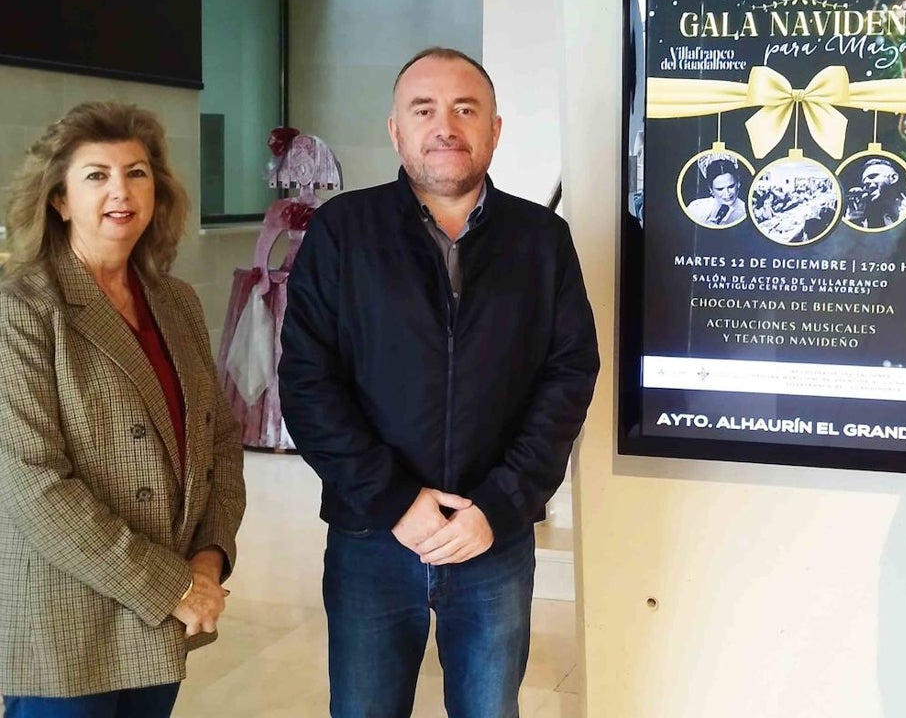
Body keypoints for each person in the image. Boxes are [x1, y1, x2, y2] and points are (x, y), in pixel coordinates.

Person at [278, 47, 600, 718]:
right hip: (373, 536)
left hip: (493, 539)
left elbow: (568, 374)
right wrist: (394, 499)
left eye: (465, 108)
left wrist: (499, 503)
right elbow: (309, 382)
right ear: (396, 130)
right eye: (424, 110)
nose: (445, 125)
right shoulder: (344, 232)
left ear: (495, 129)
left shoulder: (542, 238)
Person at [0, 102, 246, 716]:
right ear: (58, 199)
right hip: (66, 616)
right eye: (96, 175)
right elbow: (34, 489)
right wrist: (173, 586)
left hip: (164, 612)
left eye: (137, 173)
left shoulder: (176, 301)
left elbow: (219, 441)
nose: (121, 191)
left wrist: (209, 558)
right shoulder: (23, 309)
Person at [845, 157, 906, 229]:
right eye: (864, 184)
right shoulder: (868, 218)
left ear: (893, 178)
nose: (866, 183)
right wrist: (853, 219)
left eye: (872, 176)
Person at [685, 157, 746, 227]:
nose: (727, 193)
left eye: (731, 186)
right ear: (711, 189)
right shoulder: (696, 207)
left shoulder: (745, 212)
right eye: (720, 189)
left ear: (738, 183)